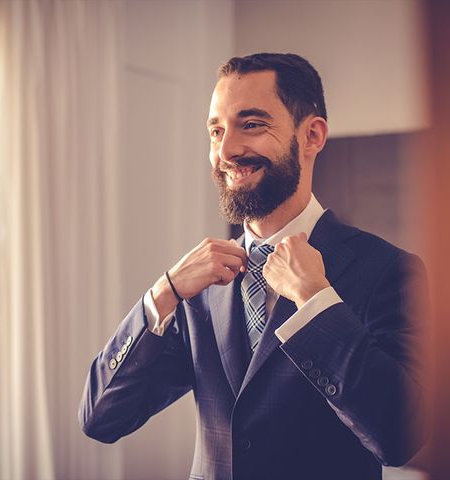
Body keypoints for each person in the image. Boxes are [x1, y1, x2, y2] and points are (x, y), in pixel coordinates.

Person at [78, 53, 426, 480]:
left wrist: (317, 302)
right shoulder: (197, 287)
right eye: (216, 131)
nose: (226, 151)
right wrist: (163, 293)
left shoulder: (389, 270)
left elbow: (400, 438)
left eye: (252, 124)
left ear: (312, 136)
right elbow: (101, 419)